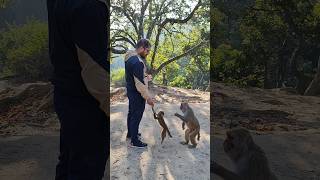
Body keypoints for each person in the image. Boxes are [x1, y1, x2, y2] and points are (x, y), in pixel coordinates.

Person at [47, 0, 109, 179]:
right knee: (85, 168)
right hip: (87, 103)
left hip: (65, 93)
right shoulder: (88, 6)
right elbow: (95, 71)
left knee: (69, 163)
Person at [124, 39, 155, 148]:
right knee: (136, 116)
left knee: (131, 113)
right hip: (137, 93)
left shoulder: (129, 56)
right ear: (141, 48)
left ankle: (130, 133)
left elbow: (135, 76)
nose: (148, 53)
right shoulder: (137, 63)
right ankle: (135, 141)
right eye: (147, 50)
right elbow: (140, 85)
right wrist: (148, 98)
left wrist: (145, 77)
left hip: (130, 90)